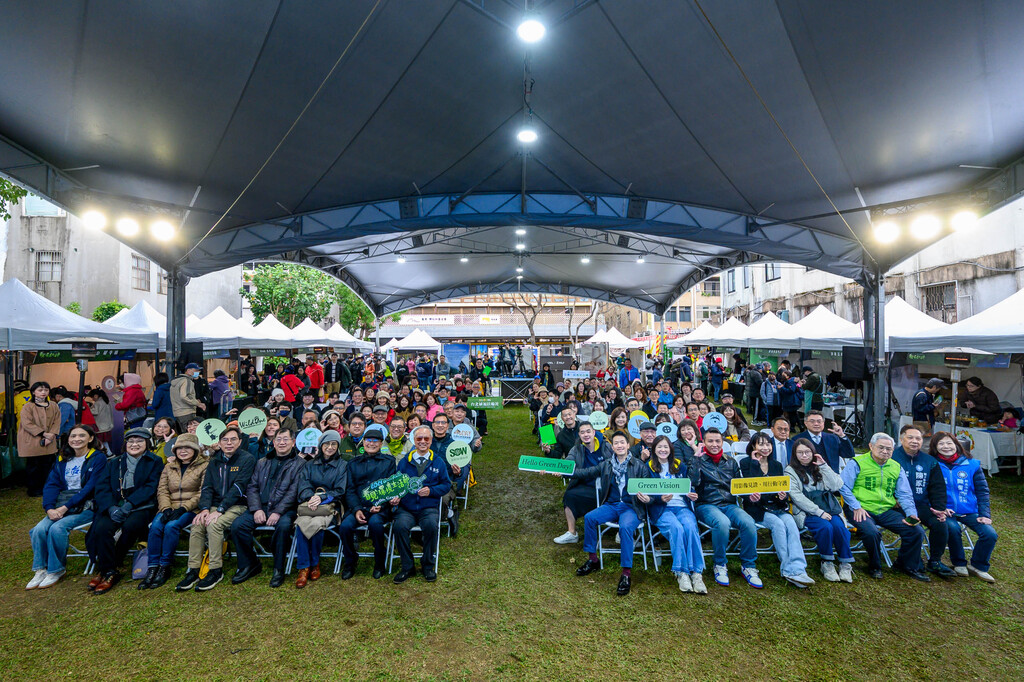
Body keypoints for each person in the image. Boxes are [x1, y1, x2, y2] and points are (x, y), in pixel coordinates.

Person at [175, 426, 256, 592]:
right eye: (225, 440)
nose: (229, 443)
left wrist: (219, 510)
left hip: (237, 505)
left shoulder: (247, 459)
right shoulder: (214, 461)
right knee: (197, 523)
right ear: (219, 443)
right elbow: (207, 488)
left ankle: (215, 570)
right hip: (214, 505)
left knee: (214, 525)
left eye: (233, 439)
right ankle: (194, 569)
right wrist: (204, 509)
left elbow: (239, 487)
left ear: (240, 442)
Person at [27, 425, 106, 590]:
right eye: (73, 436)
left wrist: (64, 508)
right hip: (61, 504)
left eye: (81, 436)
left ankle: (56, 570)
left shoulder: (98, 458)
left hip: (86, 506)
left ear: (90, 438)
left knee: (57, 528)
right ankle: (41, 569)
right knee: (38, 530)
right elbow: (51, 485)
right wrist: (49, 508)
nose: (76, 439)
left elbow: (90, 488)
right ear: (68, 440)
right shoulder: (62, 458)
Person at [840, 433, 929, 581]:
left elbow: (904, 493)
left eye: (889, 449)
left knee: (915, 531)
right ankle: (875, 566)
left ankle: (905, 564)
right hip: (860, 508)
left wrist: (911, 513)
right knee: (871, 533)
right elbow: (843, 487)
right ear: (871, 446)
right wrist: (856, 507)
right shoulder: (857, 463)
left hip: (886, 510)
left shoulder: (895, 467)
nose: (885, 451)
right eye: (881, 447)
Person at [87, 427, 164, 594]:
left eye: (139, 441)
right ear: (126, 443)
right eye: (131, 441)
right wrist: (110, 507)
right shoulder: (114, 462)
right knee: (101, 528)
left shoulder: (155, 461)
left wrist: (130, 504)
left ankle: (110, 567)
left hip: (141, 505)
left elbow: (152, 486)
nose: (134, 444)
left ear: (147, 443)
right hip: (115, 505)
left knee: (131, 526)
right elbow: (102, 487)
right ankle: (108, 570)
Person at [571, 430, 648, 596]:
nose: (619, 446)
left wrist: (648, 498)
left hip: (631, 506)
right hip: (612, 504)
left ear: (628, 445)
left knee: (626, 528)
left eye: (622, 442)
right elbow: (585, 473)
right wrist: (564, 471)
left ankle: (626, 574)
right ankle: (593, 559)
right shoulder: (606, 464)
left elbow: (650, 489)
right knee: (590, 518)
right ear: (612, 447)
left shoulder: (639, 465)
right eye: (616, 443)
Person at [231, 427, 305, 587]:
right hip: (261, 507)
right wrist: (256, 509)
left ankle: (278, 568)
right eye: (278, 439)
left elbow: (294, 492)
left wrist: (278, 512)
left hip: (285, 509)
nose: (282, 442)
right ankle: (250, 564)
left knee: (284, 527)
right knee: (238, 526)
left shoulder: (300, 464)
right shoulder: (262, 462)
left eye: (286, 439)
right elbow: (252, 487)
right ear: (273, 442)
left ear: (293, 442)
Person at [688, 428, 762, 588]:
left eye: (717, 441)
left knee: (749, 522)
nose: (714, 444)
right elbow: (691, 482)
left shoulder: (731, 461)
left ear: (722, 442)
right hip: (706, 504)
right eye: (710, 441)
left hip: (729, 504)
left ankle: (748, 565)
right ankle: (720, 564)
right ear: (704, 443)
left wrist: (748, 495)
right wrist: (695, 458)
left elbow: (738, 486)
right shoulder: (698, 460)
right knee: (722, 523)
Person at [739, 433, 814, 588]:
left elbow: (780, 489)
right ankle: (788, 569)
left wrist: (782, 496)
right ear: (753, 446)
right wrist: (755, 463)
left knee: (791, 525)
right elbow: (750, 486)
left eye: (768, 444)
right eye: (761, 444)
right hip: (757, 509)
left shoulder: (776, 465)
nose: (765, 448)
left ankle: (799, 568)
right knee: (778, 526)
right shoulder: (746, 463)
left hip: (776, 506)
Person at [139, 433, 209, 590]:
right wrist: (166, 508)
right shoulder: (168, 467)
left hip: (191, 508)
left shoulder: (204, 466)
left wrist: (184, 508)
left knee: (172, 526)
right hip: (169, 506)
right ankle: (152, 567)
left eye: (187, 448)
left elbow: (202, 492)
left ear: (195, 450)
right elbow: (162, 490)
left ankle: (165, 565)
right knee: (156, 527)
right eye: (179, 448)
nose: (183, 451)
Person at [638, 435, 706, 594]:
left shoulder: (679, 465)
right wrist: (659, 498)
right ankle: (681, 572)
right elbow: (646, 494)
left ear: (670, 449)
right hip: (662, 509)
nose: (663, 450)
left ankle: (697, 573)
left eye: (666, 447)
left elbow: (688, 486)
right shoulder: (647, 467)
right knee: (676, 528)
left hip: (681, 506)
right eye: (659, 447)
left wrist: (691, 494)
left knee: (690, 527)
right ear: (654, 449)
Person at [930, 432, 998, 582]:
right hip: (945, 511)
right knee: (953, 529)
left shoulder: (971, 464)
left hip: (969, 511)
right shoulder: (932, 464)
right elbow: (927, 490)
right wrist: (939, 507)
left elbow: (982, 491)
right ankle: (959, 563)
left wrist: (984, 514)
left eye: (949, 443)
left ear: (956, 445)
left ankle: (978, 566)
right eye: (941, 444)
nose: (946, 447)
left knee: (989, 534)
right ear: (935, 447)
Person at [786, 438, 854, 583]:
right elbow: (797, 498)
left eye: (807, 452)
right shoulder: (790, 471)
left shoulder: (820, 466)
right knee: (825, 527)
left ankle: (845, 563)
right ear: (794, 454)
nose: (804, 455)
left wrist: (824, 466)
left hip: (829, 507)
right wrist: (818, 512)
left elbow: (836, 485)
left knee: (839, 527)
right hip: (807, 511)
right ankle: (827, 562)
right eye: (800, 453)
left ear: (813, 452)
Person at [891, 424, 956, 577]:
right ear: (901, 439)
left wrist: (939, 508)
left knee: (940, 523)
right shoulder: (891, 457)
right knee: (913, 527)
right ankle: (910, 561)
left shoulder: (929, 461)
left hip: (921, 504)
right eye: (910, 437)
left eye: (918, 438)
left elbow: (937, 487)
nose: (915, 441)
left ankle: (935, 561)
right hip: (897, 506)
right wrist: (892, 500)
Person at [392, 426, 451, 584]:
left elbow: (446, 485)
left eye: (426, 439)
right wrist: (397, 496)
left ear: (431, 441)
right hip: (407, 508)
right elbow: (397, 485)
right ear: (414, 441)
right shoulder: (405, 462)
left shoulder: (438, 462)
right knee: (399, 527)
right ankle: (407, 566)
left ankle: (427, 565)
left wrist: (431, 491)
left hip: (428, 507)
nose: (423, 442)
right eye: (419, 439)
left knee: (432, 526)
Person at [340, 425, 398, 580]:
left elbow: (391, 487)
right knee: (345, 526)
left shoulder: (389, 462)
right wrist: (357, 509)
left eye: (375, 441)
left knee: (376, 525)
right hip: (359, 506)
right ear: (363, 442)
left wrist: (380, 504)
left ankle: (379, 562)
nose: (371, 443)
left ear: (380, 444)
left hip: (380, 507)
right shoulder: (353, 463)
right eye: (368, 440)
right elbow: (350, 490)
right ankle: (350, 561)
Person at [292, 431, 348, 587]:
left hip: (329, 506)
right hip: (309, 504)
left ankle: (314, 563)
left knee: (317, 525)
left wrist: (321, 498)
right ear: (321, 446)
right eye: (327, 444)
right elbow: (303, 485)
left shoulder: (342, 465)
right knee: (301, 524)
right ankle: (304, 567)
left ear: (337, 447)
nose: (330, 447)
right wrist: (311, 497)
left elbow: (340, 490)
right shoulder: (309, 464)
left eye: (333, 444)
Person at [553, 422, 610, 544]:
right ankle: (572, 533)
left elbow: (602, 469)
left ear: (594, 432)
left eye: (588, 431)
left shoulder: (605, 446)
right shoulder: (576, 448)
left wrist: (574, 473)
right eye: (582, 432)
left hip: (605, 487)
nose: (586, 435)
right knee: (569, 495)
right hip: (585, 485)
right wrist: (558, 469)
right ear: (579, 435)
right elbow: (567, 464)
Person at [18, 381, 62, 497]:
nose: (43, 392)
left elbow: (57, 421)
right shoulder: (28, 406)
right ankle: (34, 489)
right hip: (33, 441)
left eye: (46, 390)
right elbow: (27, 423)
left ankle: (47, 487)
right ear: (33, 392)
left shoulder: (53, 405)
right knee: (34, 467)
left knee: (48, 465)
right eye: (40, 390)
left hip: (49, 441)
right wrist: (43, 434)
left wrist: (51, 434)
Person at [170, 363, 204, 432]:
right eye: (196, 370)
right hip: (187, 411)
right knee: (191, 433)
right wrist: (198, 403)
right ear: (188, 370)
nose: (198, 372)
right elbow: (184, 396)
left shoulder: (176, 382)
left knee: (184, 433)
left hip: (178, 412)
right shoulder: (187, 381)